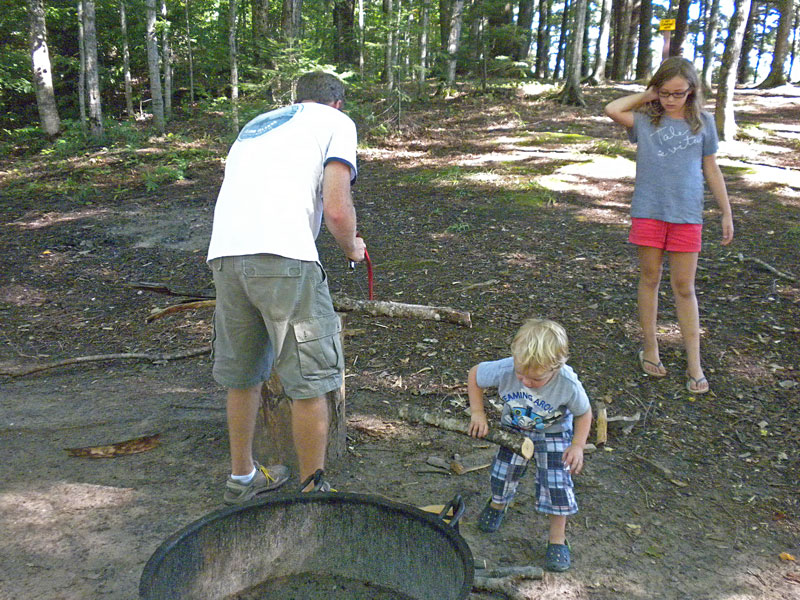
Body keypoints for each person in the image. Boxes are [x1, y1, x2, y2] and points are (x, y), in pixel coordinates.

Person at [206, 71, 367, 504]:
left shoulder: (257, 124)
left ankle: (242, 478)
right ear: (336, 103)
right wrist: (352, 247)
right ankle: (313, 489)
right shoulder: (338, 124)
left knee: (242, 375)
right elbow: (336, 208)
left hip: (225, 254)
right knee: (311, 378)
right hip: (284, 256)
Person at [604, 57, 733, 394]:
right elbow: (612, 108)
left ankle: (694, 361)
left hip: (687, 214)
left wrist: (726, 211)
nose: (672, 99)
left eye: (679, 93)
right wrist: (647, 96)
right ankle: (650, 347)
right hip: (649, 211)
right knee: (650, 279)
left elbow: (711, 168)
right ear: (655, 90)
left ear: (692, 91)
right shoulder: (646, 120)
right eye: (665, 92)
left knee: (684, 287)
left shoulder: (703, 123)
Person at [468, 318, 592, 572]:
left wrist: (578, 445)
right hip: (515, 428)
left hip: (553, 433)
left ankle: (557, 538)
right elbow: (475, 375)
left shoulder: (567, 384)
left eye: (535, 379)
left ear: (555, 368)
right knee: (503, 473)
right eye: (521, 374)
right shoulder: (507, 368)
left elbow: (584, 412)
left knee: (557, 482)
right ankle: (498, 503)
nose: (525, 381)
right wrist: (477, 413)